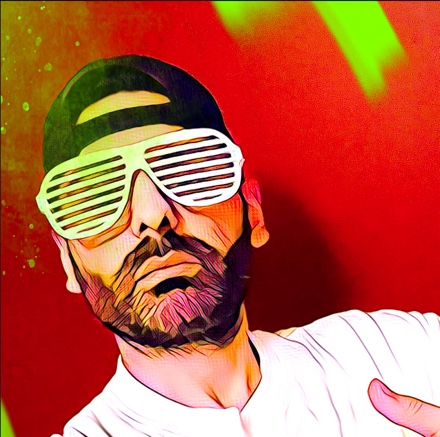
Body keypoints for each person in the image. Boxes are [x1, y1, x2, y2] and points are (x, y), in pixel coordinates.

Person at [36, 55, 440, 437]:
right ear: (67, 260)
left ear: (254, 213)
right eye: (99, 195)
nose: (153, 215)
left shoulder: (398, 354)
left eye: (187, 171)